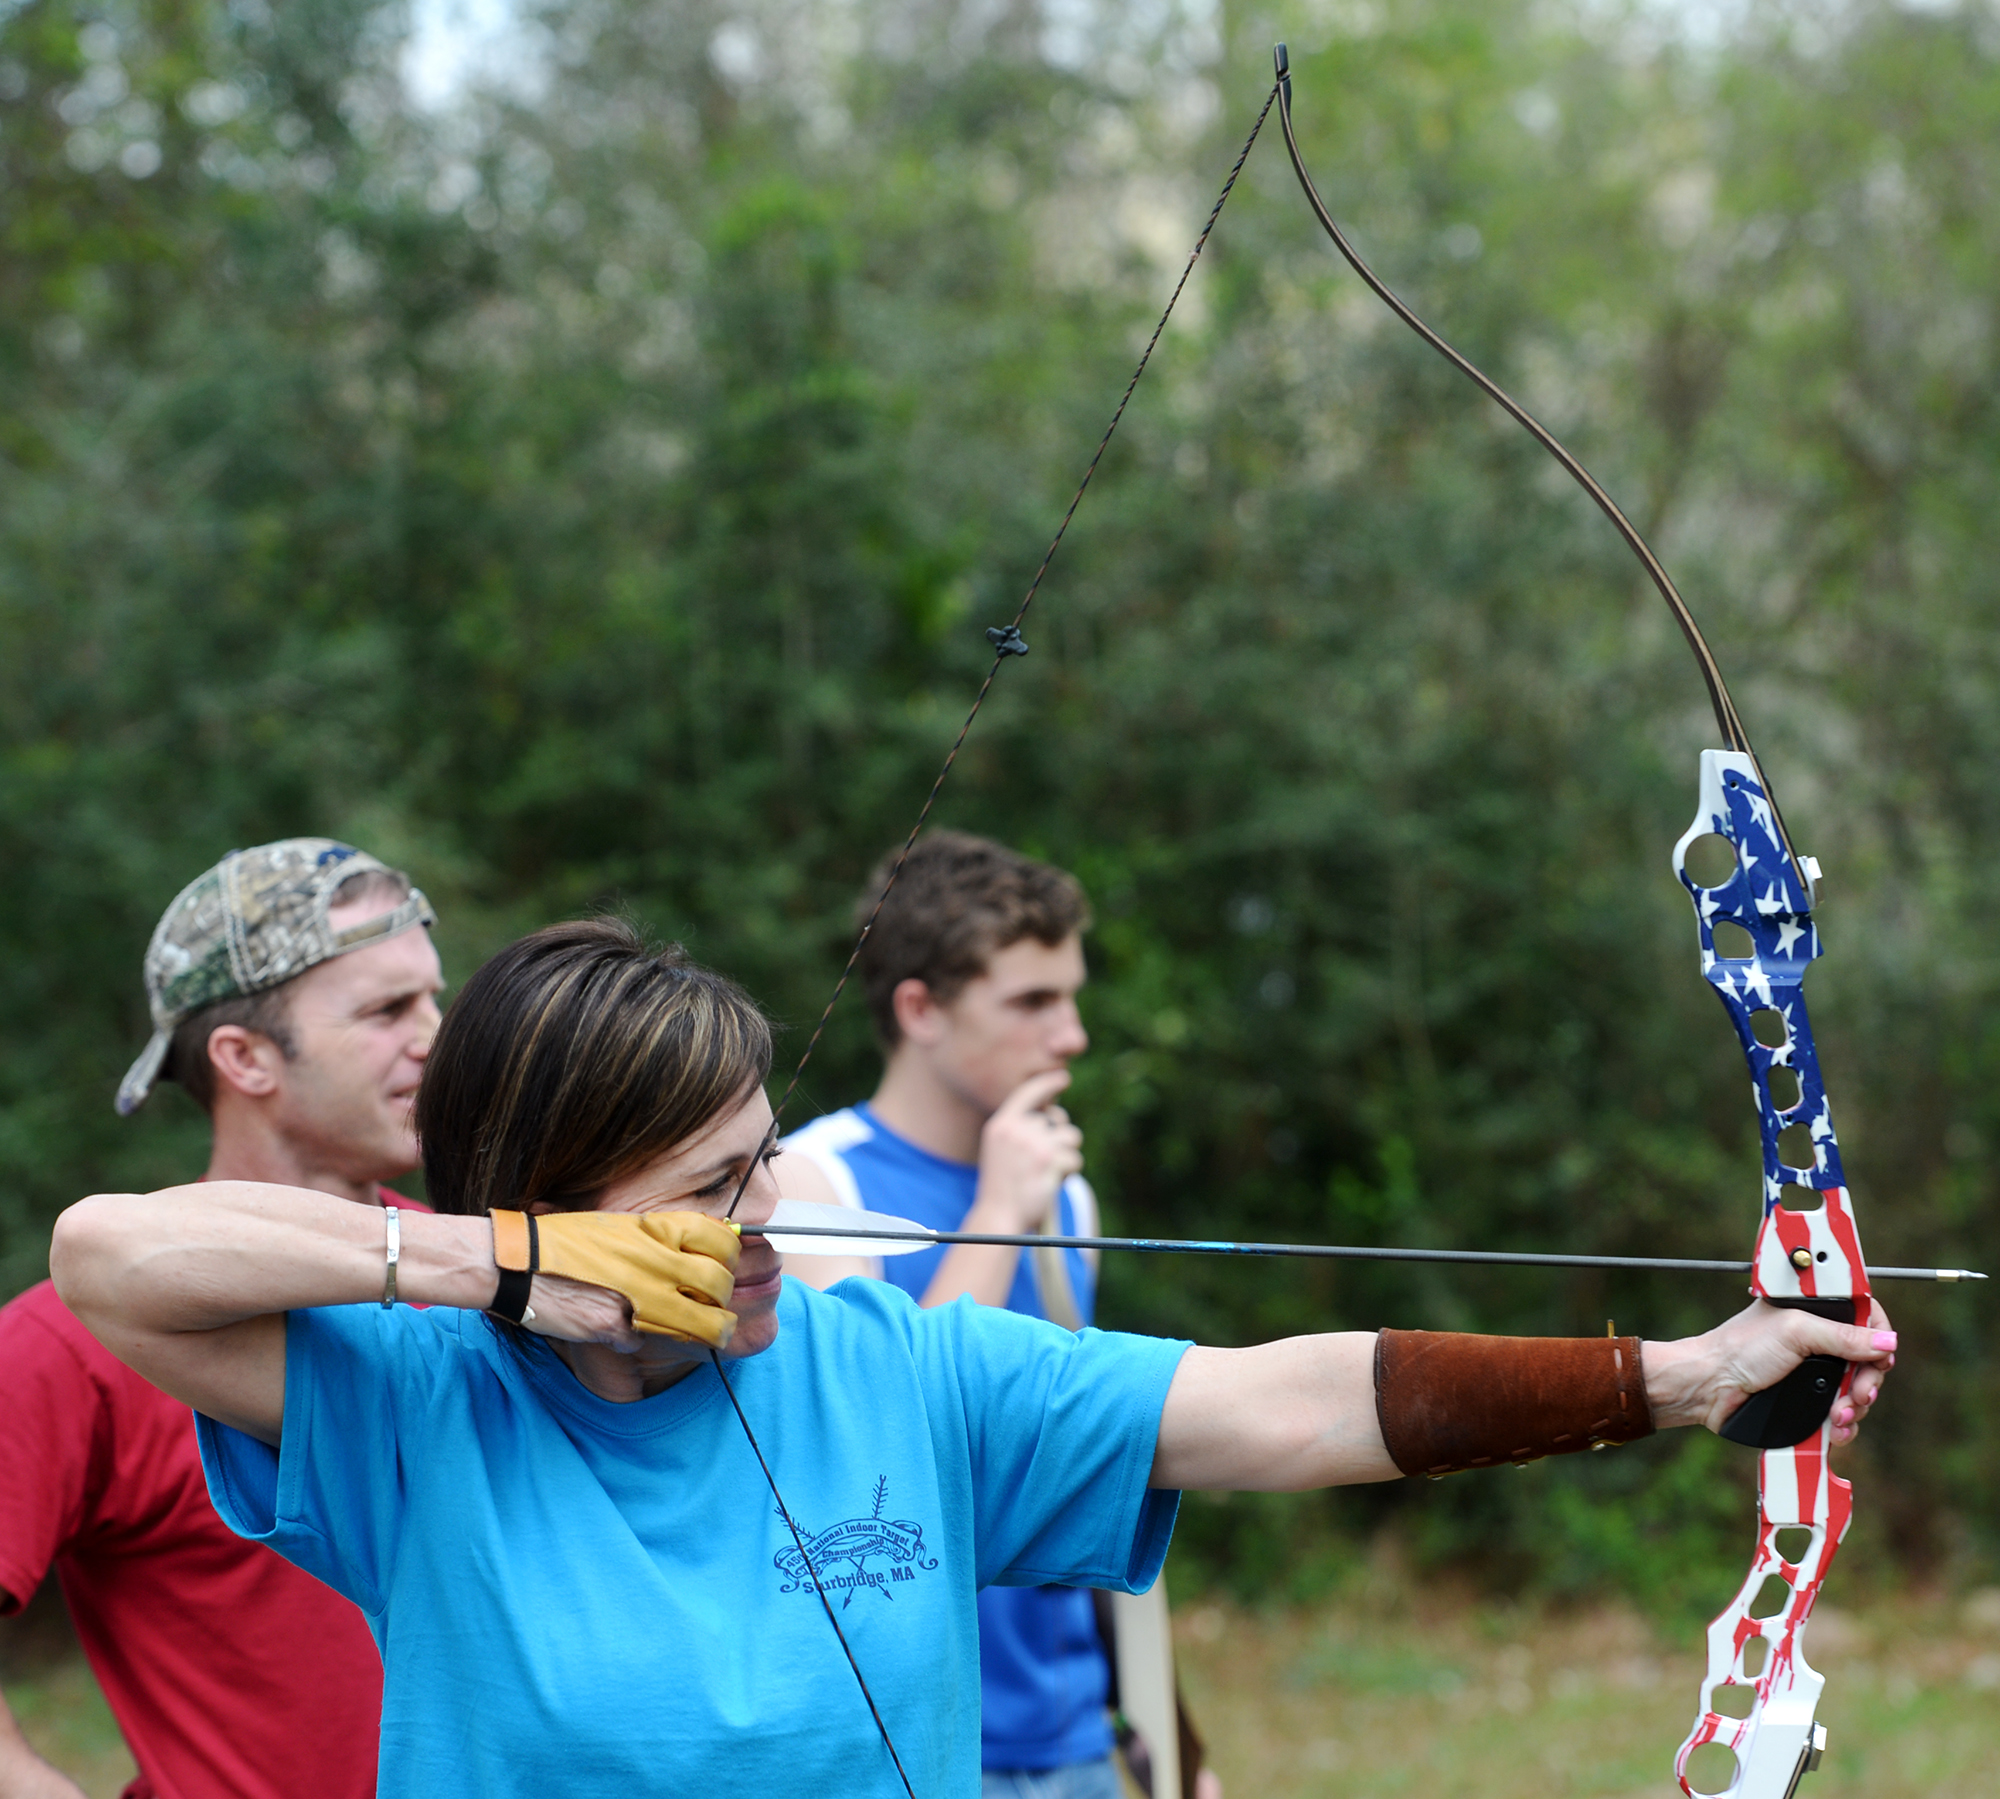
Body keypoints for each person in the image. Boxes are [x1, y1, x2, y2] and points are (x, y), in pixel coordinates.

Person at [47, 918, 1893, 1799]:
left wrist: (1687, 1373)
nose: (767, 1205)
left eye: (763, 1149)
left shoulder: (897, 1369)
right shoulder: (411, 1401)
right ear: (569, 1209)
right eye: (704, 1189)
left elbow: (1292, 1397)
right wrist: (508, 1266)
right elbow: (105, 1259)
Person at [781, 830, 1218, 1799]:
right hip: (903, 1736)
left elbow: (1091, 1461)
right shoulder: (814, 1180)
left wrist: (1168, 1735)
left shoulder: (1068, 1200)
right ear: (919, 1008)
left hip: (1068, 1737)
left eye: (1070, 996)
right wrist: (993, 1217)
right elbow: (872, 1442)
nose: (1070, 1035)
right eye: (1030, 1001)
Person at [0, 840, 442, 1799]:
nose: (438, 1035)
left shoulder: (475, 1278)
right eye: (387, 1010)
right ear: (244, 1058)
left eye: (434, 998)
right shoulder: (71, 1342)